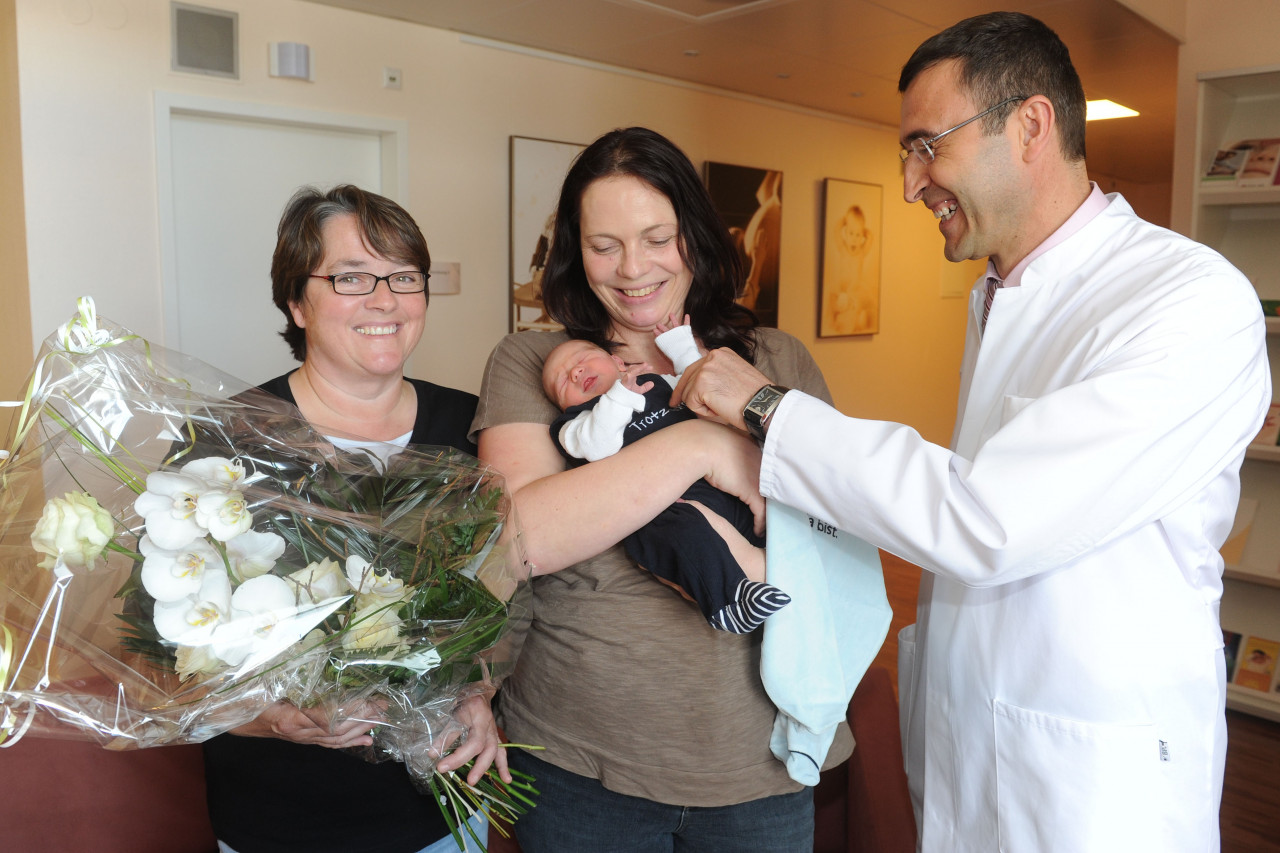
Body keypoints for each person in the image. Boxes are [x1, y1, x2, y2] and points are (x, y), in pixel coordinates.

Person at [672, 12, 1271, 853]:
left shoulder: (1186, 302)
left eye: (928, 145)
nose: (913, 184)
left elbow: (988, 517)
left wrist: (769, 411)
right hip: (974, 749)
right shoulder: (999, 295)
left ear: (1030, 125)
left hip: (1095, 784)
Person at [472, 126, 846, 852]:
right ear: (575, 251)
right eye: (603, 243)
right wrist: (704, 444)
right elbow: (522, 539)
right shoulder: (539, 363)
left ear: (697, 240)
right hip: (581, 757)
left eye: (656, 237)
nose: (631, 268)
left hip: (760, 755)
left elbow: (835, 529)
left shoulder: (775, 360)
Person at [202, 184, 507, 853]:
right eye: (351, 277)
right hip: (276, 823)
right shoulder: (229, 442)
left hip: (439, 819)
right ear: (295, 301)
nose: (385, 299)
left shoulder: (475, 428)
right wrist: (277, 717)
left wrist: (481, 695)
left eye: (403, 276)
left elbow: (506, 600)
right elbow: (172, 665)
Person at [542, 318, 789, 633]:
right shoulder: (574, 425)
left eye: (582, 358)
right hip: (665, 510)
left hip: (724, 490)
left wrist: (680, 345)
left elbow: (701, 385)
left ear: (618, 362)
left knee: (775, 512)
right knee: (687, 534)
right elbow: (596, 446)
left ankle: (789, 568)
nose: (574, 372)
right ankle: (731, 600)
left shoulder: (659, 382)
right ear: (562, 406)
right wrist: (619, 396)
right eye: (561, 382)